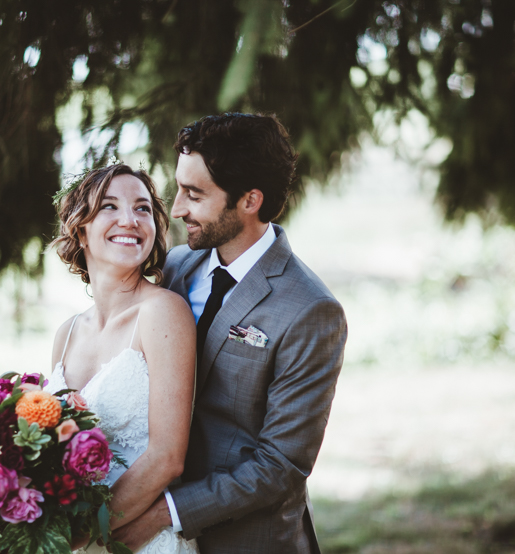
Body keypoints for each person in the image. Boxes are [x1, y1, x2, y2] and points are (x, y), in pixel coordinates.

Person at [113, 113, 348, 553]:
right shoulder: (176, 268)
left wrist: (166, 513)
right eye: (179, 188)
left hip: (247, 540)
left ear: (249, 200)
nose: (177, 208)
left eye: (194, 194)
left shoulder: (310, 310)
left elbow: (280, 464)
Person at [47, 163, 200, 553]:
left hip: (137, 541)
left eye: (143, 208)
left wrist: (78, 538)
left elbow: (166, 458)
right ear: (80, 228)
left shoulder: (163, 312)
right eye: (110, 207)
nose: (130, 220)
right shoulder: (66, 334)